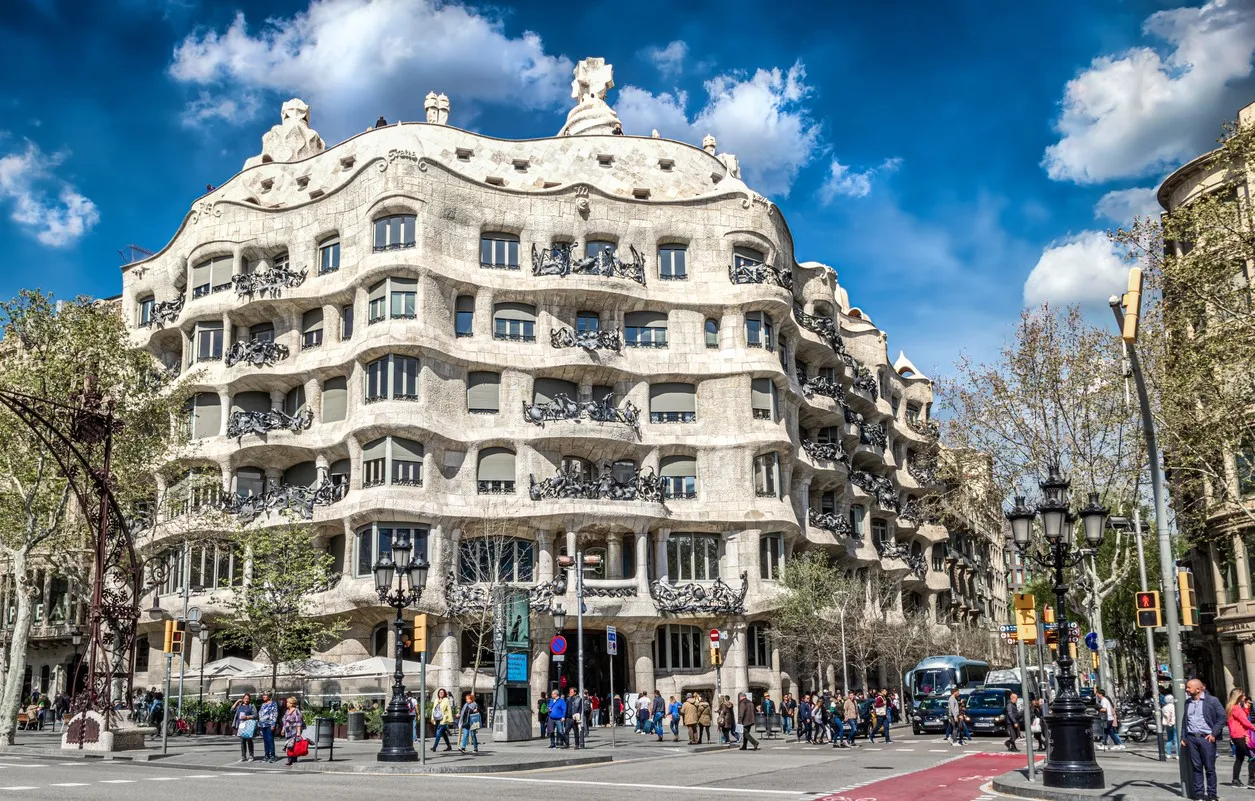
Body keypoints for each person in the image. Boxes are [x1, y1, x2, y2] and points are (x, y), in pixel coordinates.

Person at [1185, 677, 1226, 801]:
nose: (1186, 689)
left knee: (1209, 768)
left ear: (1198, 689)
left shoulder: (1212, 700)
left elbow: (1222, 717)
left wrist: (1214, 733)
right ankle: (1199, 794)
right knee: (1196, 767)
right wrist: (1183, 736)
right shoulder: (1187, 702)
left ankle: (1212, 794)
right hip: (1192, 738)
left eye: (1188, 687)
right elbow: (1184, 721)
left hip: (1206, 739)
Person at [1227, 689, 1255, 787]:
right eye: (1243, 695)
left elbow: (1241, 718)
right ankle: (1252, 781)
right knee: (1253, 756)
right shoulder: (1236, 708)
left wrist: (1246, 708)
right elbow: (1245, 721)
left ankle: (1235, 780)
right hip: (1240, 736)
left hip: (1236, 736)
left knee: (1239, 758)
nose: (1244, 697)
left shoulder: (1233, 707)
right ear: (1238, 696)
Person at [231, 693, 257, 762]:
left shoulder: (251, 706)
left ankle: (251, 756)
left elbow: (255, 715)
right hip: (241, 725)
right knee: (242, 741)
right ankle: (243, 756)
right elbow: (232, 710)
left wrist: (247, 717)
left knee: (249, 740)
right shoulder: (239, 706)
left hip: (248, 725)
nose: (246, 700)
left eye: (248, 699)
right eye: (245, 698)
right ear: (243, 699)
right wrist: (237, 702)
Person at [282, 696, 303, 767]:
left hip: (294, 730)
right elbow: (284, 721)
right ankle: (293, 759)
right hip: (287, 731)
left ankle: (290, 760)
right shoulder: (287, 711)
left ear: (291, 704)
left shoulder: (296, 711)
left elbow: (299, 722)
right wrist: (283, 729)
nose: (286, 703)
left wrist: (298, 732)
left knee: (292, 745)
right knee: (289, 745)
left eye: (288, 702)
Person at [258, 692, 279, 763]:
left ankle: (272, 755)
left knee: (270, 740)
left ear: (269, 696)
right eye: (263, 695)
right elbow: (260, 714)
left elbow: (275, 714)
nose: (263, 696)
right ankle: (266, 755)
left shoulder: (273, 703)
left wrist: (273, 724)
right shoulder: (263, 704)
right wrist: (260, 724)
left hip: (270, 724)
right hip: (263, 724)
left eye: (265, 695)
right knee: (265, 740)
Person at [1161, 694, 1178, 759]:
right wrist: (1172, 722)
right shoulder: (1174, 707)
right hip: (1174, 724)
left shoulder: (1164, 708)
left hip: (1167, 724)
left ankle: (1168, 754)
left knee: (1169, 739)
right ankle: (1178, 755)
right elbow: (1173, 716)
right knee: (1176, 740)